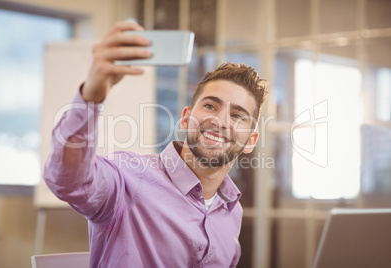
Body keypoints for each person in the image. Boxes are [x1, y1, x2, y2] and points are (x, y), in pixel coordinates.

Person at [44, 21, 268, 267]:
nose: (220, 120)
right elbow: (69, 181)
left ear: (251, 141)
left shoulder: (232, 212)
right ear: (185, 118)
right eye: (210, 106)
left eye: (237, 116)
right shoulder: (127, 179)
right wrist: (91, 96)